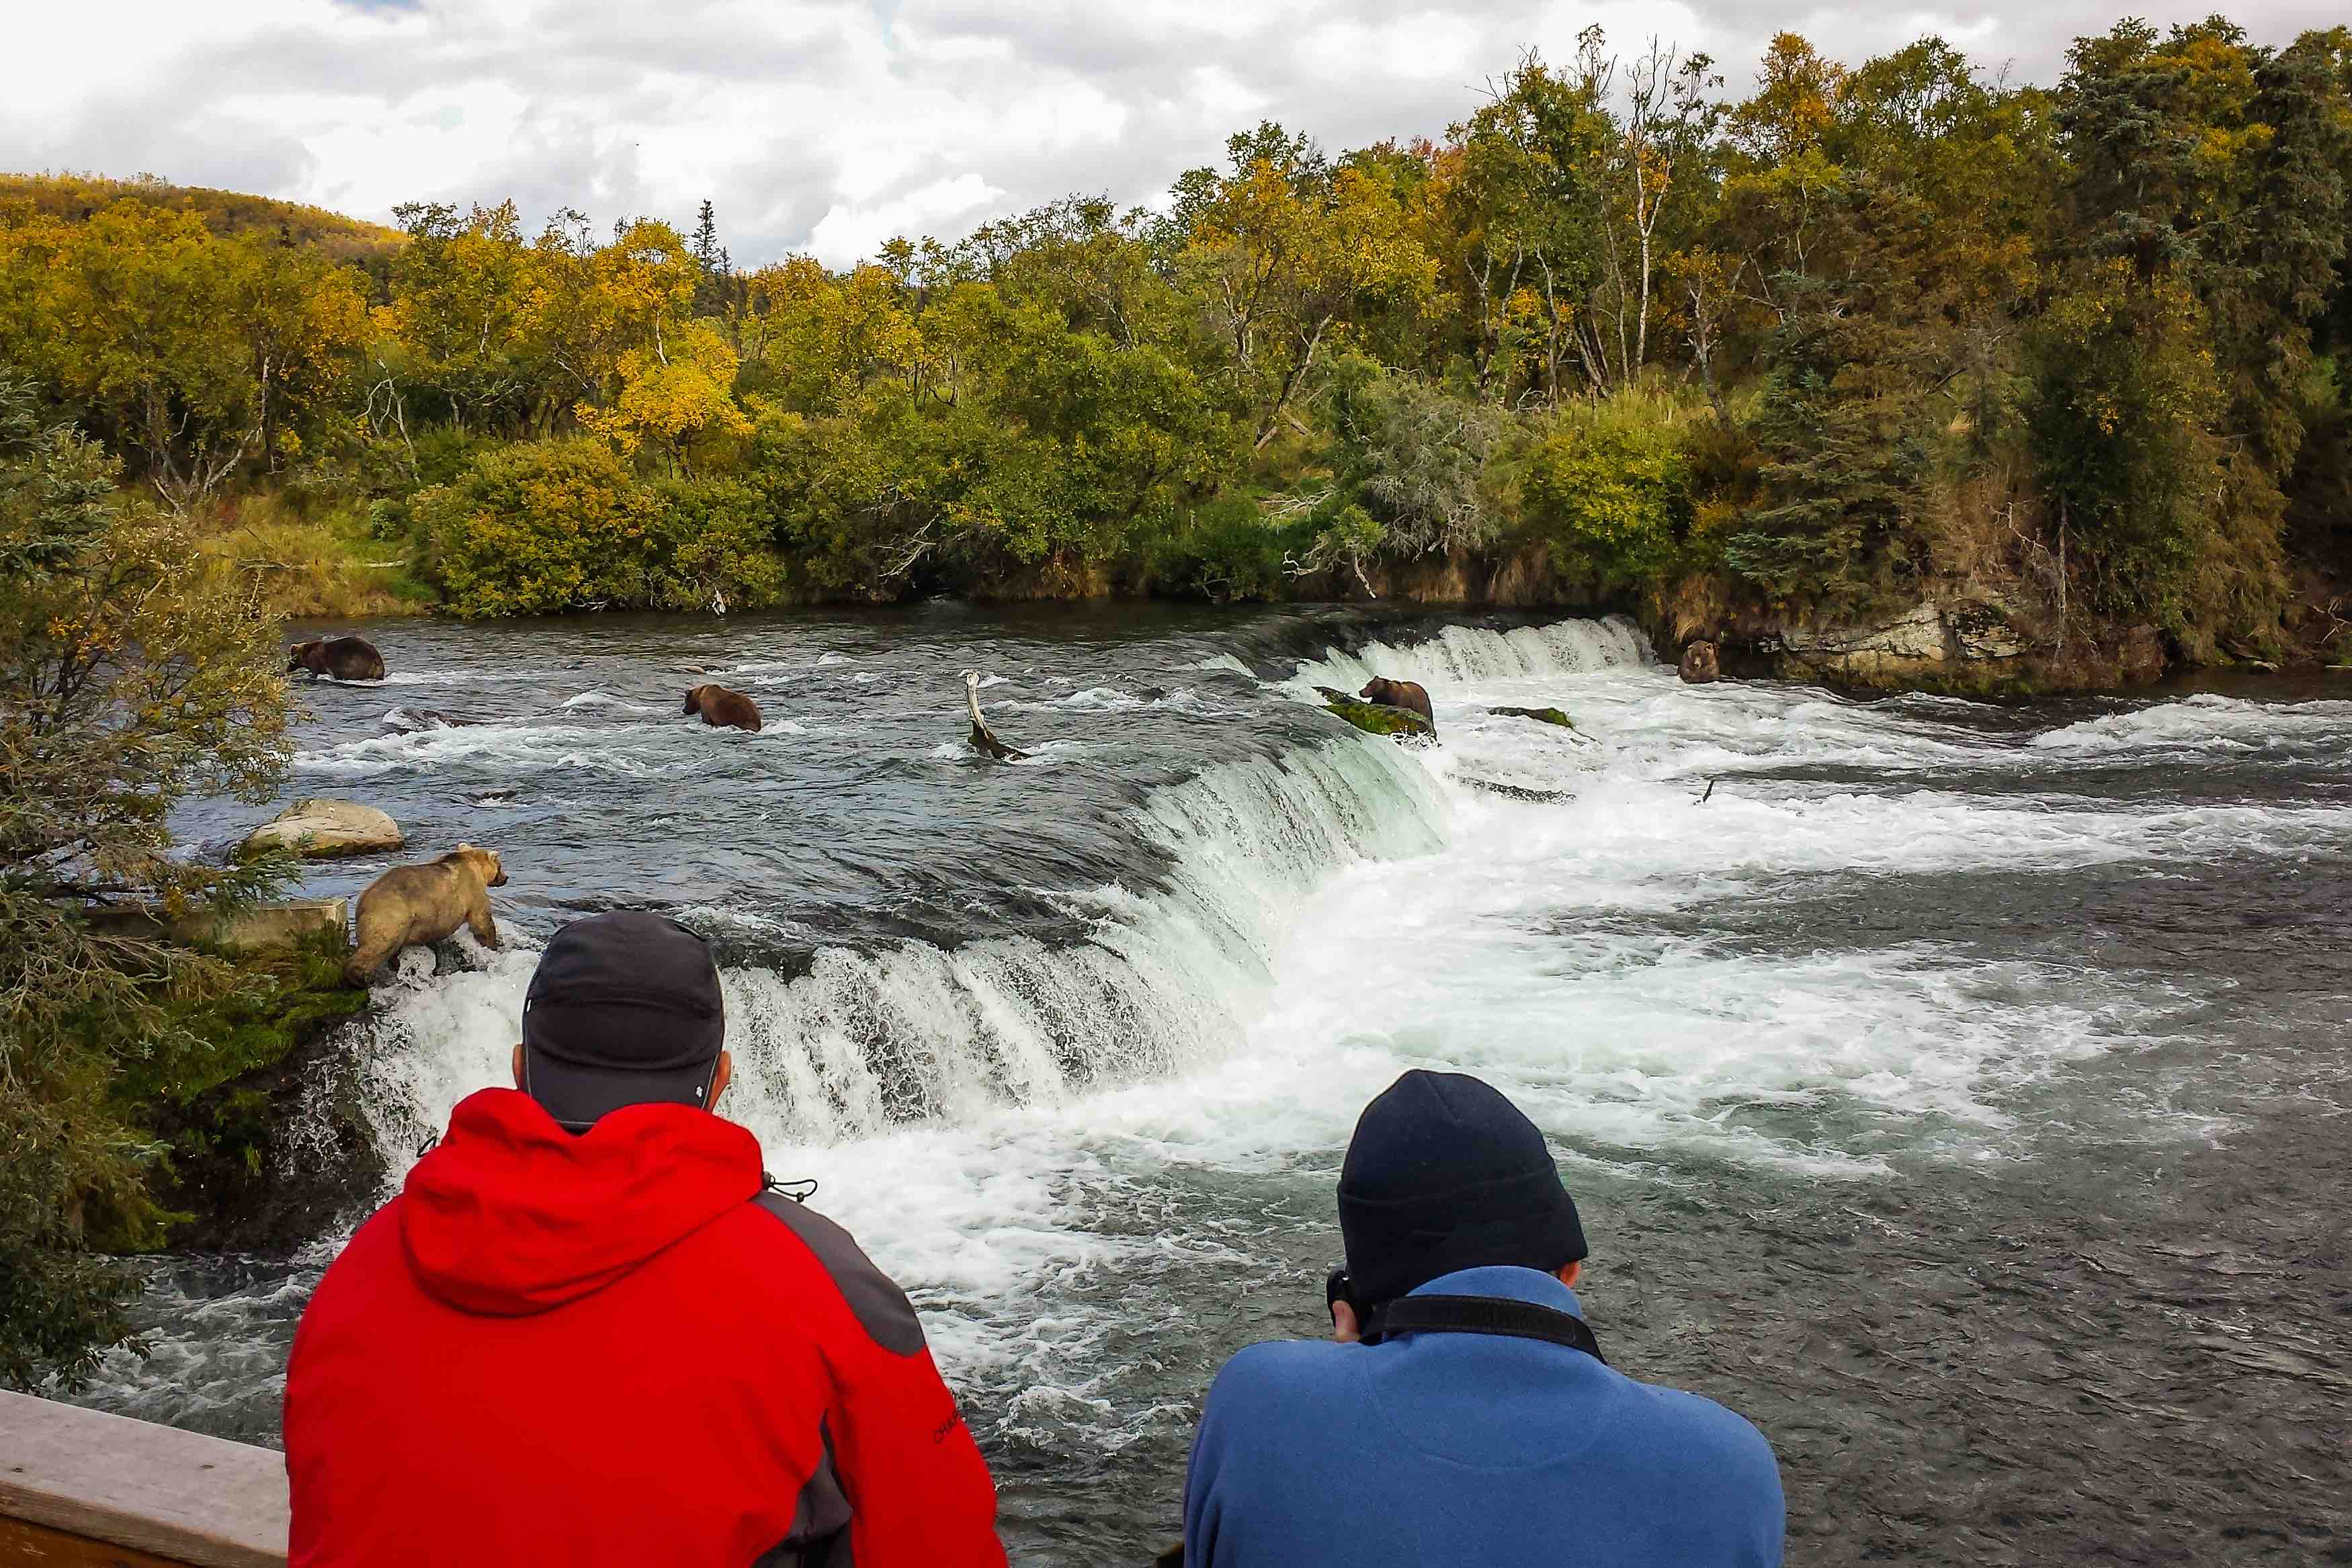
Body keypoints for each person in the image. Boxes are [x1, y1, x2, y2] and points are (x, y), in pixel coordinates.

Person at [284, 910, 1005, 1567]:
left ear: (518, 1070)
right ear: (719, 1082)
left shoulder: (365, 1262)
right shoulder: (820, 1284)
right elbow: (942, 1538)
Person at [1181, 1070, 1784, 1567]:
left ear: (1355, 1302)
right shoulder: (1730, 1467)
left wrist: (1344, 1367)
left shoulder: (1257, 1402)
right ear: (1570, 1266)